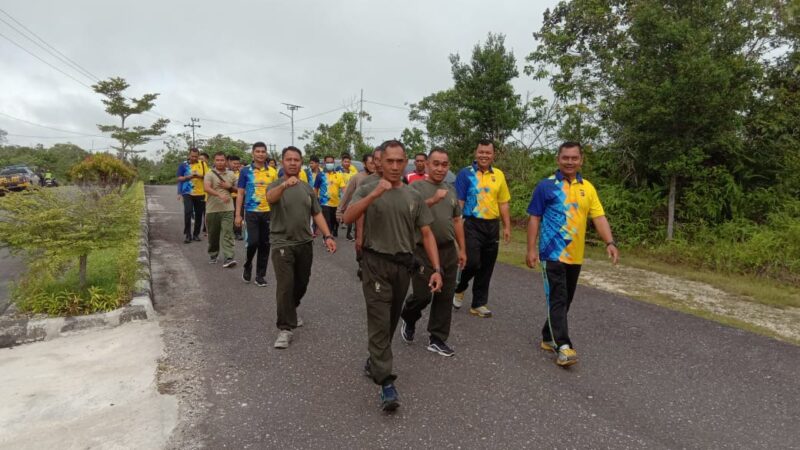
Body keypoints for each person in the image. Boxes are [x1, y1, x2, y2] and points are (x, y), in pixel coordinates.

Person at [343, 140, 443, 412]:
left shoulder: (413, 196)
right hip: (375, 264)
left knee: (388, 320)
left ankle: (375, 360)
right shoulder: (366, 188)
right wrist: (374, 194)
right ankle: (387, 383)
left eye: (401, 161)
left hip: (403, 267)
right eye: (390, 161)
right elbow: (347, 218)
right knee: (378, 320)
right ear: (380, 162)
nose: (396, 166)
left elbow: (426, 233)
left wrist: (436, 269)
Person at [526, 141, 619, 367]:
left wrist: (610, 241)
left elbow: (598, 216)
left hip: (575, 255)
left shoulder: (588, 188)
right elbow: (534, 217)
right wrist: (530, 249)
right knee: (557, 297)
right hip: (551, 253)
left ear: (581, 160)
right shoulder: (546, 186)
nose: (569, 162)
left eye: (574, 158)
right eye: (565, 157)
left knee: (565, 299)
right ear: (558, 159)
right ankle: (564, 346)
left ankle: (548, 335)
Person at [266, 146, 337, 349]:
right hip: (282, 243)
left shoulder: (307, 188)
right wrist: (284, 186)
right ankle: (285, 328)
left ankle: (291, 309)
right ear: (282, 162)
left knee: (302, 283)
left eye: (296, 160)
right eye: (288, 159)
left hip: (305, 243)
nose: (292, 163)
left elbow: (317, 214)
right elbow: (270, 198)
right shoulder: (275, 185)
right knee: (285, 286)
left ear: (301, 163)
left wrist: (328, 236)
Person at [400, 147, 466, 357]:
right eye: (435, 163)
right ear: (427, 164)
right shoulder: (415, 187)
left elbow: (457, 220)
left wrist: (462, 248)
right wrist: (433, 200)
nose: (440, 168)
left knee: (445, 296)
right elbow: (407, 215)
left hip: (447, 250)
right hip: (422, 251)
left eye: (444, 164)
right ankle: (409, 317)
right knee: (422, 295)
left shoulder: (451, 190)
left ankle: (437, 338)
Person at [452, 140, 511, 318]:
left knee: (487, 265)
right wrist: (456, 224)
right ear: (475, 153)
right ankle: (459, 287)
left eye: (488, 152)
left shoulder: (499, 175)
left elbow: (503, 202)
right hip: (471, 223)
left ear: (493, 155)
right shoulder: (466, 174)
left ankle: (478, 303)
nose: (484, 155)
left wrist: (507, 226)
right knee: (472, 262)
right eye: (481, 152)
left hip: (492, 225)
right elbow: (459, 202)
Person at [235, 142, 279, 287]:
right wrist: (238, 215)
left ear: (266, 153)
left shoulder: (273, 172)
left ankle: (260, 275)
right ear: (253, 153)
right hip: (251, 212)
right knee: (253, 242)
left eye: (263, 151)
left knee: (265, 245)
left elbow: (276, 194)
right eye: (258, 151)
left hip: (268, 213)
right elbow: (240, 193)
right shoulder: (245, 171)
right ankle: (248, 265)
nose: (260, 154)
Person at [204, 152, 238, 267]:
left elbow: (239, 189)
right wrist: (219, 195)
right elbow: (207, 188)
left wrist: (230, 187)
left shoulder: (232, 174)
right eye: (217, 160)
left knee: (227, 233)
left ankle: (229, 257)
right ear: (214, 161)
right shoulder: (209, 174)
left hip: (228, 209)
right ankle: (213, 254)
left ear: (226, 161)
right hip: (212, 209)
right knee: (213, 235)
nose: (220, 162)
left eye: (222, 160)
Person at [176, 147, 208, 244]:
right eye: (192, 156)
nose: (194, 158)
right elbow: (179, 178)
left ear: (198, 156)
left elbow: (208, 177)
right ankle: (188, 235)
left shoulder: (203, 164)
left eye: (196, 156)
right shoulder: (183, 165)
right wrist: (187, 177)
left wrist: (199, 176)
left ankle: (196, 234)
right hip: (187, 192)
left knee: (199, 214)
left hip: (200, 193)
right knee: (188, 212)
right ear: (189, 155)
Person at [319, 155, 346, 238]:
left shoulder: (339, 175)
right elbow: (316, 189)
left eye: (331, 162)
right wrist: (315, 201)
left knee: (335, 220)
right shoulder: (320, 175)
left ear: (334, 163)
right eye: (327, 162)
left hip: (336, 203)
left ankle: (335, 229)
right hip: (325, 203)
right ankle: (327, 237)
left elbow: (344, 188)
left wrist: (346, 200)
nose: (329, 164)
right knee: (327, 221)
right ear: (324, 163)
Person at [337, 153, 359, 240]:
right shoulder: (338, 172)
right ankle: (334, 229)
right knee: (339, 215)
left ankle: (349, 234)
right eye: (345, 161)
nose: (347, 163)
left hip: (351, 196)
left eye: (348, 162)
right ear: (342, 162)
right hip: (341, 196)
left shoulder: (353, 172)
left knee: (351, 214)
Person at [227, 155, 244, 241]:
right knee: (229, 216)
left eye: (238, 163)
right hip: (228, 198)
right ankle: (229, 233)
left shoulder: (242, 172)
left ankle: (238, 233)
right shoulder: (226, 172)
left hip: (239, 197)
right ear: (229, 162)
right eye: (234, 163)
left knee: (239, 215)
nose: (236, 165)